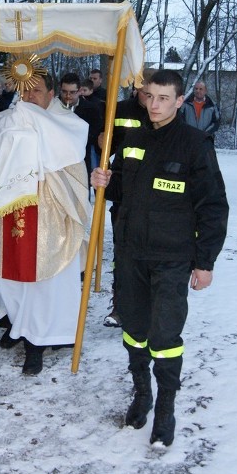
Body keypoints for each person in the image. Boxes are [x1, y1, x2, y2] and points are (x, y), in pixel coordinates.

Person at [90, 69, 229, 447]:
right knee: (134, 331)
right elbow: (124, 185)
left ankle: (165, 406)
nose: (155, 105)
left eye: (164, 98)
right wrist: (105, 180)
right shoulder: (132, 137)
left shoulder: (195, 144)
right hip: (131, 252)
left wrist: (205, 262)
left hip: (171, 257)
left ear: (179, 101)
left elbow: (213, 206)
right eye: (150, 96)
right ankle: (141, 393)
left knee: (165, 336)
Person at [0, 72, 91, 376]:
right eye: (25, 91)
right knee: (8, 273)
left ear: (52, 94)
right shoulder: (6, 118)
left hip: (50, 214)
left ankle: (39, 340)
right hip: (10, 208)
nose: (30, 96)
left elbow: (71, 169)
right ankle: (19, 324)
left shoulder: (67, 124)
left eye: (37, 91)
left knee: (45, 279)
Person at [96, 73, 153, 329]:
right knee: (123, 253)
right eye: (145, 93)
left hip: (154, 198)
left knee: (151, 255)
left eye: (156, 95)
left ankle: (149, 307)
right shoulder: (119, 110)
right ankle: (120, 306)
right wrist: (101, 142)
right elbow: (105, 144)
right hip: (124, 193)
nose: (151, 100)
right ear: (135, 88)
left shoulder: (167, 115)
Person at [59, 72, 103, 177]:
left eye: (72, 92)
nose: (68, 96)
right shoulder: (52, 107)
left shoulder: (91, 109)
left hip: (82, 159)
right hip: (58, 162)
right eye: (64, 92)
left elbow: (95, 134)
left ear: (79, 91)